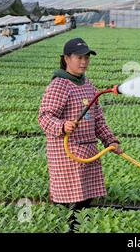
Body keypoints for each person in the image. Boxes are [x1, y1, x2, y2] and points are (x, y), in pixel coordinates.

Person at [38, 37, 123, 232]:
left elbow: (98, 120)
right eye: (79, 57)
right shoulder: (59, 85)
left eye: (86, 57)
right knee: (70, 204)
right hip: (68, 156)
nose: (84, 62)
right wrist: (62, 125)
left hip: (88, 154)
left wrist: (111, 141)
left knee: (85, 202)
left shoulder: (88, 85)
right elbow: (44, 117)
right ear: (66, 58)